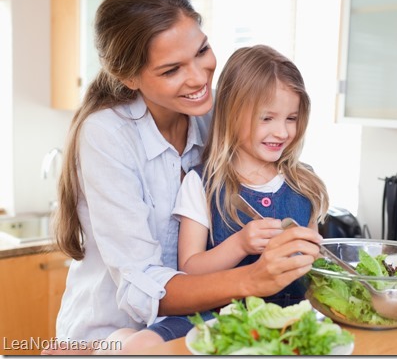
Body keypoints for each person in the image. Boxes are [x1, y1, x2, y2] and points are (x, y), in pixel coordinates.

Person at [42, 0, 322, 355]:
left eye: (202, 50)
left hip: (197, 328)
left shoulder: (210, 117)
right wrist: (254, 279)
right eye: (172, 69)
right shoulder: (106, 134)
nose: (198, 78)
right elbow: (143, 286)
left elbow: (267, 161)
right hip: (110, 336)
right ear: (129, 77)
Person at [97, 44, 331, 353]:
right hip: (213, 314)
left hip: (291, 314)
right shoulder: (203, 183)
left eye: (291, 118)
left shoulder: (305, 184)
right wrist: (240, 245)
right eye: (267, 118)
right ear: (233, 114)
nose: (282, 131)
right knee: (139, 345)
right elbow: (189, 269)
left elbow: (315, 264)